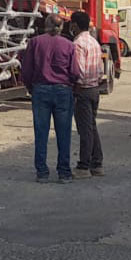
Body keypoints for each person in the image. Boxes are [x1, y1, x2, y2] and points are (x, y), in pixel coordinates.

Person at [19, 13, 80, 182]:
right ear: (61, 28)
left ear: (45, 25)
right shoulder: (69, 45)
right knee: (64, 132)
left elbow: (26, 70)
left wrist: (31, 87)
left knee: (41, 132)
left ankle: (42, 172)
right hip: (63, 90)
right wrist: (71, 86)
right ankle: (64, 172)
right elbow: (75, 72)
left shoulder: (35, 43)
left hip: (41, 90)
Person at [69, 11, 104, 176]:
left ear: (75, 25)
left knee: (85, 130)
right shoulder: (94, 42)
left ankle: (84, 166)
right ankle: (97, 163)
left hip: (82, 90)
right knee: (91, 127)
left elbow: (79, 71)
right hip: (95, 89)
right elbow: (100, 69)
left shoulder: (77, 44)